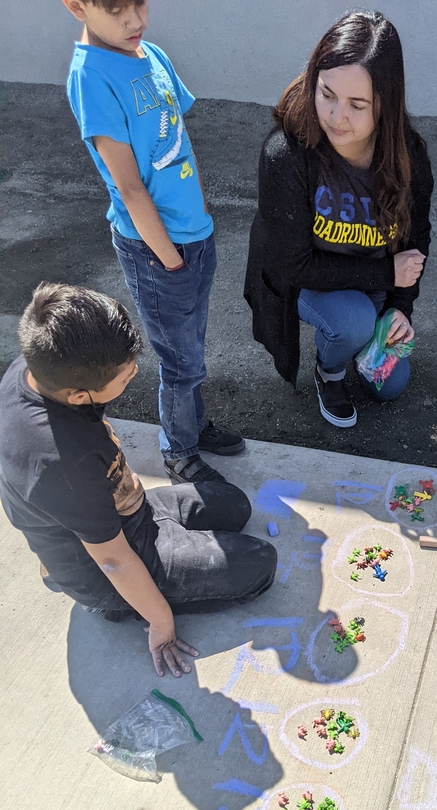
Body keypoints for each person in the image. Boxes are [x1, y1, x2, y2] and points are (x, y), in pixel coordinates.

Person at [0, 283, 277, 676]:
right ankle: (118, 605)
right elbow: (113, 560)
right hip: (104, 564)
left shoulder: (33, 369)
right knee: (261, 564)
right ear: (79, 396)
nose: (134, 373)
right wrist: (161, 622)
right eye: (126, 376)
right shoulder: (61, 462)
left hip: (129, 510)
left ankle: (158, 567)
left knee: (234, 503)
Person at [63, 0, 244, 483]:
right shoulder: (91, 77)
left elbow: (179, 145)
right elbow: (128, 187)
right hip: (156, 252)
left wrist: (200, 221)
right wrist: (170, 260)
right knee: (179, 360)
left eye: (140, 3)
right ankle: (179, 451)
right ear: (76, 7)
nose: (135, 20)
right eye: (118, 9)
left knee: (193, 348)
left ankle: (194, 424)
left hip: (193, 236)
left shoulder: (150, 54)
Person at [244, 10, 433, 428]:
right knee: (353, 322)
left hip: (375, 283)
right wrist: (388, 275)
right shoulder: (286, 153)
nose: (336, 116)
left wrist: (402, 307)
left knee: (390, 386)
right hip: (304, 281)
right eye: (326, 93)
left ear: (386, 103)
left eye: (357, 104)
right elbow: (291, 264)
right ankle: (327, 372)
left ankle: (358, 334)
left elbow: (416, 237)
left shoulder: (409, 156)